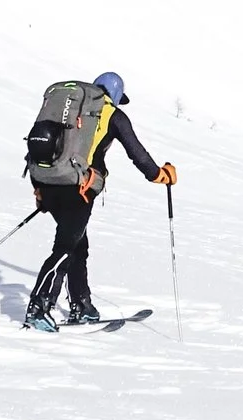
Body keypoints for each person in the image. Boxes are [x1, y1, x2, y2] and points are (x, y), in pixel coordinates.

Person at [25, 71, 176, 331]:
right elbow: (136, 152)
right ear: (116, 95)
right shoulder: (111, 115)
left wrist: (40, 189)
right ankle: (39, 306)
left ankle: (81, 304)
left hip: (48, 183)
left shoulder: (71, 109)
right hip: (78, 189)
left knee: (77, 246)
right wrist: (159, 175)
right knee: (65, 247)